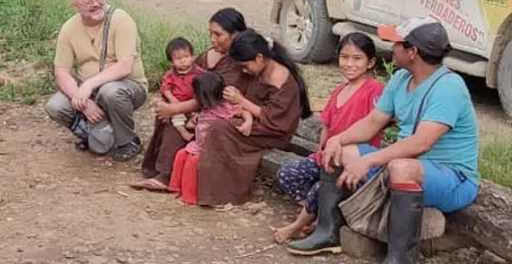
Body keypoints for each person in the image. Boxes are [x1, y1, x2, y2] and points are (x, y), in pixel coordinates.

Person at [287, 17, 479, 264]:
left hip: (453, 178)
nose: (391, 46)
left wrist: (369, 161)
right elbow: (373, 121)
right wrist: (339, 138)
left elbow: (421, 144)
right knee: (340, 150)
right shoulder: (401, 79)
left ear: (413, 52)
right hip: (407, 165)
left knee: (401, 167)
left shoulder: (448, 88)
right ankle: (328, 231)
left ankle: (399, 258)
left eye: (397, 43)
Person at [271, 33, 384, 243]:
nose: (349, 64)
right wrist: (321, 153)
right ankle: (319, 213)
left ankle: (297, 225)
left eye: (357, 58)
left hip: (353, 162)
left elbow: (377, 123)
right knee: (287, 173)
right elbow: (327, 127)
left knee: (321, 188)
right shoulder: (338, 91)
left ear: (371, 62)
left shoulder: (374, 90)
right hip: (327, 157)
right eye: (344, 57)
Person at [132, 8, 250, 191]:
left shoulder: (236, 63)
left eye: (218, 34)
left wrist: (175, 109)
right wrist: (171, 104)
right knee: (169, 117)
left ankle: (167, 175)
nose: (212, 39)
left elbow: (214, 96)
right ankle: (160, 168)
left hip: (218, 111)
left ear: (235, 34)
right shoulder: (206, 56)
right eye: (210, 33)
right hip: (195, 106)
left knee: (177, 120)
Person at [197, 29, 311, 206]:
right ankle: (210, 190)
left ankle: (223, 194)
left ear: (259, 58)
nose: (244, 70)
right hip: (251, 120)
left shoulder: (283, 81)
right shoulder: (257, 70)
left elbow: (275, 120)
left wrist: (241, 101)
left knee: (220, 129)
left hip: (272, 132)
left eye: (245, 66)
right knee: (212, 122)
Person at [44, 0, 148, 161]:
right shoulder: (69, 28)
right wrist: (83, 102)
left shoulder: (121, 19)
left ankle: (128, 141)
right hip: (89, 91)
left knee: (110, 93)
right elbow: (61, 72)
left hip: (127, 86)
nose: (95, 4)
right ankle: (92, 132)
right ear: (76, 6)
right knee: (56, 106)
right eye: (88, 2)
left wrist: (89, 85)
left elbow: (125, 66)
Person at [168, 72, 254, 205]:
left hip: (210, 148)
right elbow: (203, 117)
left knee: (192, 162)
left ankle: (189, 196)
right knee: (181, 154)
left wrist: (247, 122)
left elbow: (243, 111)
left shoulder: (225, 107)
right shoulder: (207, 107)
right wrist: (196, 119)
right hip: (199, 143)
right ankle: (176, 187)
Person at [160, 37, 205, 142]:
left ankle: (192, 124)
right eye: (178, 59)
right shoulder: (170, 75)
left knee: (201, 113)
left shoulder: (199, 72)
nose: (183, 61)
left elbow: (205, 82)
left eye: (186, 56)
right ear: (171, 62)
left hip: (194, 102)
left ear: (193, 57)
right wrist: (172, 99)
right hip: (177, 102)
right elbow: (165, 88)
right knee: (177, 118)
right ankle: (183, 133)